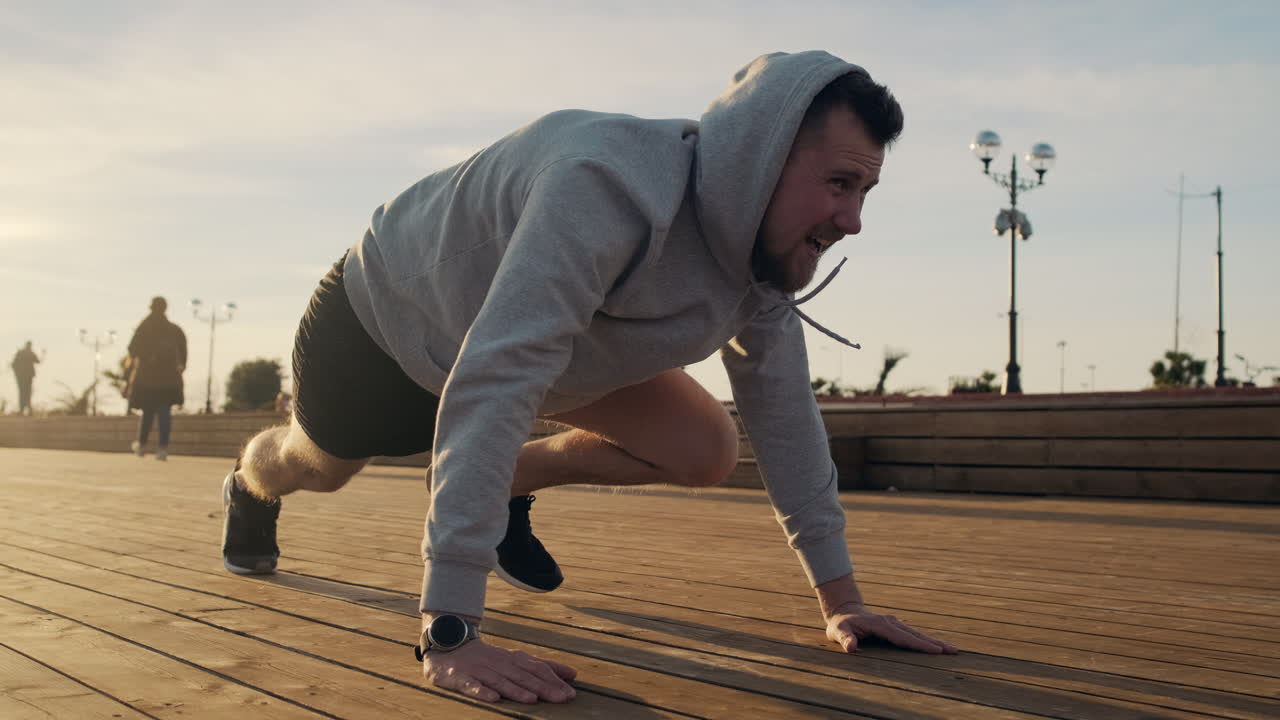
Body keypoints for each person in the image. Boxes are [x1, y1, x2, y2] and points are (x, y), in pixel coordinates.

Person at [220, 50, 958, 705]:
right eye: (838, 183)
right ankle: (245, 487)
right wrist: (450, 630)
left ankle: (509, 477)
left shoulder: (763, 266)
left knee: (706, 449)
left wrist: (842, 601)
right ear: (761, 159)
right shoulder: (605, 184)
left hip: (546, 350)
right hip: (384, 326)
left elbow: (787, 418)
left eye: (864, 192)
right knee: (309, 467)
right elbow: (498, 375)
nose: (852, 218)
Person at [125, 296, 187, 460]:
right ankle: (162, 448)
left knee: (148, 412)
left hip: (148, 378)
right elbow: (183, 351)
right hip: (169, 379)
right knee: (165, 411)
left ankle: (142, 444)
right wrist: (180, 367)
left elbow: (132, 348)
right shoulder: (173, 329)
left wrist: (145, 358)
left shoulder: (145, 327)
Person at [11, 341, 40, 415]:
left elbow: (13, 364)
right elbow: (38, 361)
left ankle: (24, 410)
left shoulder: (22, 353)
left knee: (24, 393)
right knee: (26, 393)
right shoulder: (29, 353)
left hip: (23, 377)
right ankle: (25, 410)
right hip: (24, 376)